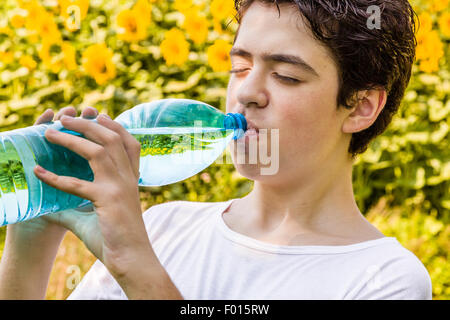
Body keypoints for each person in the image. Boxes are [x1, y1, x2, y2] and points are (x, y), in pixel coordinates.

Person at [0, 0, 432, 300]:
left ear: (360, 107)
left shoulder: (382, 277)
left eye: (285, 76)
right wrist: (33, 234)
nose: (246, 93)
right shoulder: (165, 227)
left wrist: (136, 266)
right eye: (240, 67)